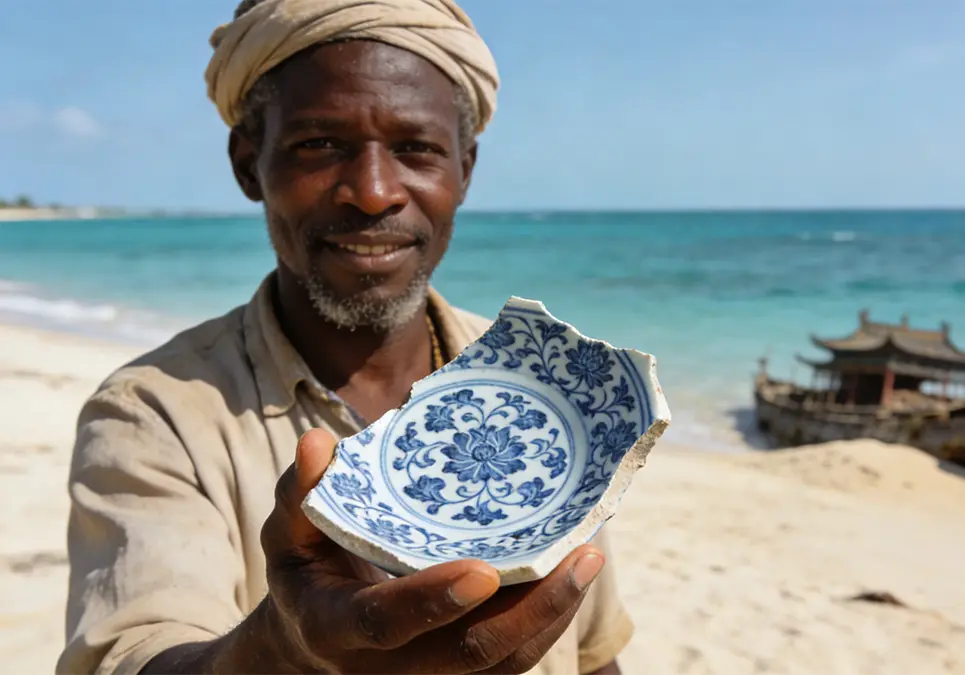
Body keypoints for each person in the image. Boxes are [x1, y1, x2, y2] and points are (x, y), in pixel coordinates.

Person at [56, 1, 633, 673]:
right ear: (248, 163)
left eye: (416, 148)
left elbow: (592, 654)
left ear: (465, 170)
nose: (373, 191)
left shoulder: (540, 388)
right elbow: (134, 653)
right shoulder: (157, 412)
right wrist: (284, 647)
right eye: (319, 146)